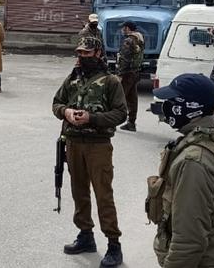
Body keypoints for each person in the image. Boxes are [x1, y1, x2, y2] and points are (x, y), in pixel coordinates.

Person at [149, 73, 214, 267]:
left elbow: (189, 241)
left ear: (193, 108)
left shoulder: (195, 162)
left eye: (172, 101)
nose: (166, 106)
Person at [52, 36, 127, 268]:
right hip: (74, 144)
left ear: (97, 53)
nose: (82, 57)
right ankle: (86, 235)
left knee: (103, 195)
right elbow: (56, 102)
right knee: (79, 191)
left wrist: (92, 118)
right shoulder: (73, 78)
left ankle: (114, 245)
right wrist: (65, 112)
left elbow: (121, 113)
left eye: (86, 53)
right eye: (80, 53)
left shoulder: (111, 81)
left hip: (98, 146)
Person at [117, 22, 145, 132]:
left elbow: (125, 58)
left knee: (119, 97)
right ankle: (131, 122)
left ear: (127, 28)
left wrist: (120, 74)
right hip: (135, 72)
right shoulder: (140, 39)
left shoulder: (128, 41)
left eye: (123, 28)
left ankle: (112, 121)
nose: (122, 30)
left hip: (127, 73)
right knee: (132, 99)